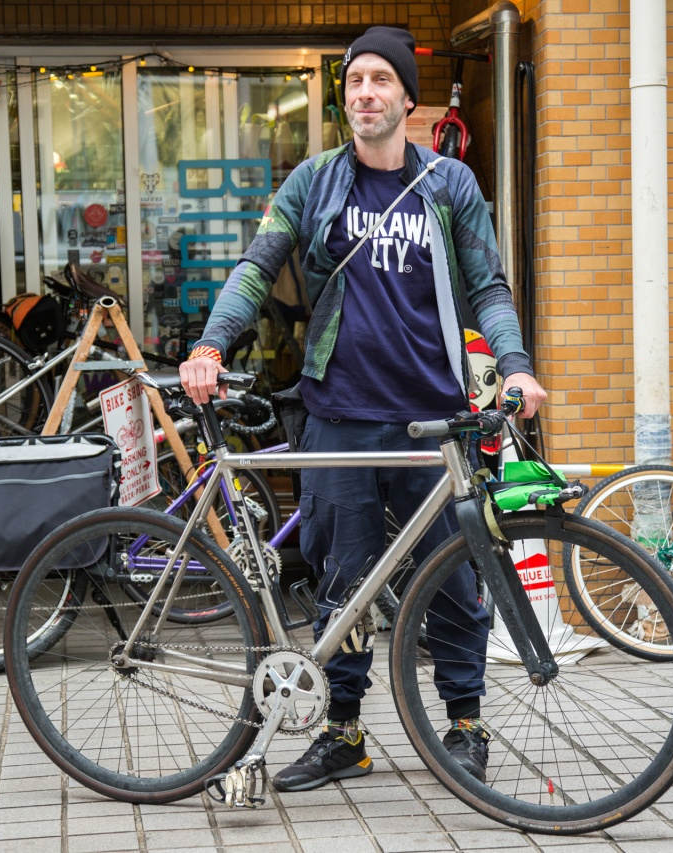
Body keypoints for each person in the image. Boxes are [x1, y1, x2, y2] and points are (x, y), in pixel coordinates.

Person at [179, 25, 547, 792]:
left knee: (453, 576)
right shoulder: (315, 182)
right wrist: (212, 345)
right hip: (339, 413)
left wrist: (514, 366)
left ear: (409, 99)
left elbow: (489, 288)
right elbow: (260, 264)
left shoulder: (449, 186)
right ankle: (344, 734)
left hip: (434, 417)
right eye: (354, 82)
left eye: (381, 80)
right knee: (339, 580)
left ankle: (465, 725)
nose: (365, 93)